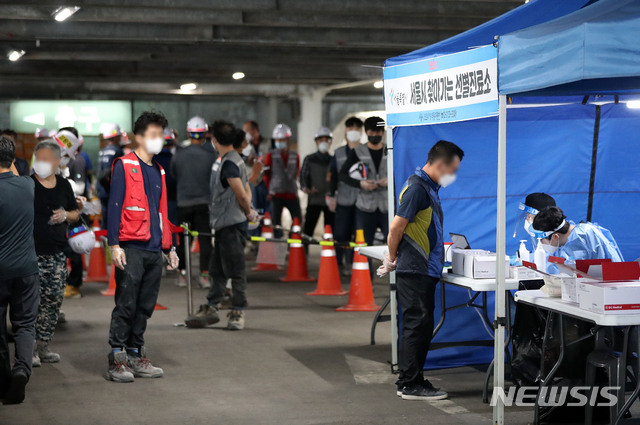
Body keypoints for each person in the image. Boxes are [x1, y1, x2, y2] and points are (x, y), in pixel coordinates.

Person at [383, 140, 464, 400]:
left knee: (420, 325)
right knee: (416, 326)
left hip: (423, 268)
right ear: (439, 164)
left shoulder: (427, 187)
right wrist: (392, 258)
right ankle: (409, 383)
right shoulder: (418, 189)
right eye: (452, 169)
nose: (453, 175)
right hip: (415, 269)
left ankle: (413, 378)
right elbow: (396, 228)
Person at [106, 111, 178, 383]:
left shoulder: (159, 169)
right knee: (126, 303)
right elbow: (114, 207)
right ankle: (117, 358)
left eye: (161, 134)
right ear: (139, 137)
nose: (158, 139)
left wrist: (170, 247)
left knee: (145, 305)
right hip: (131, 246)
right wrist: (114, 245)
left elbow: (161, 211)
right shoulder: (123, 165)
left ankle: (136, 354)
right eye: (153, 135)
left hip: (153, 248)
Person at [186, 121, 258, 331]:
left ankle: (238, 310)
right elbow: (245, 188)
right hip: (224, 223)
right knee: (217, 269)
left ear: (214, 140)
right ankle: (211, 305)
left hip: (232, 224)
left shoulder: (228, 163)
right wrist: (249, 208)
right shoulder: (231, 159)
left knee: (236, 270)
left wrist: (248, 211)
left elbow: (240, 192)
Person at [31, 138, 81, 367]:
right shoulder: (27, 185)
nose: (40, 164)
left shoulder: (64, 186)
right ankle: (28, 348)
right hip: (31, 254)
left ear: (56, 161)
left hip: (57, 254)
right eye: (37, 159)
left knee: (53, 301)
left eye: (44, 160)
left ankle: (43, 345)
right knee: (31, 303)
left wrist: (65, 215)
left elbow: (75, 214)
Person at [0, 136, 40, 404]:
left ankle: (3, 377)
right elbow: (13, 173)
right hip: (27, 268)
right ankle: (21, 372)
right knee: (25, 324)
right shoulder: (28, 185)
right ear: (15, 160)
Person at [170, 116, 218, 288]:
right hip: (204, 204)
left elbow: (174, 174)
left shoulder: (179, 153)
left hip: (183, 204)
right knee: (205, 241)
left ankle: (182, 275)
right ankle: (204, 276)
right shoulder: (211, 154)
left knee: (184, 241)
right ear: (205, 133)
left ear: (188, 133)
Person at [339, 116, 388, 250]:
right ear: (366, 132)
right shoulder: (357, 151)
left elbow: (401, 171)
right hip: (365, 206)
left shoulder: (390, 150)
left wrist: (390, 181)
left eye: (378, 132)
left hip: (387, 206)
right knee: (365, 245)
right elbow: (343, 175)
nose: (375, 135)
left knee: (393, 242)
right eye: (371, 132)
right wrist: (361, 184)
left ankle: (392, 271)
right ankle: (365, 271)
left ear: (383, 132)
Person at [531, 206, 624, 273]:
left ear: (555, 237)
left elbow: (575, 272)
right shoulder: (566, 240)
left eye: (542, 240)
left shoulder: (581, 237)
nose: (541, 244)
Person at [328, 116, 363, 274]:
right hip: (343, 199)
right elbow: (333, 176)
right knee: (341, 233)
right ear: (345, 131)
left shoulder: (365, 151)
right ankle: (337, 263)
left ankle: (354, 263)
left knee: (358, 234)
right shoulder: (339, 152)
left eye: (357, 128)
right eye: (350, 128)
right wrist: (331, 196)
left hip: (362, 200)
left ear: (361, 131)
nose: (353, 131)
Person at [263, 123, 301, 238]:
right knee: (275, 222)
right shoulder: (270, 155)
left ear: (288, 139)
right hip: (276, 194)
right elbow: (266, 174)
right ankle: (279, 242)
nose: (279, 142)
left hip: (292, 193)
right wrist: (270, 190)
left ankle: (293, 242)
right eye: (277, 140)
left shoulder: (295, 155)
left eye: (282, 139)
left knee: (297, 220)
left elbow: (296, 172)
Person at [299, 126, 334, 237]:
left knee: (330, 230)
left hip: (330, 201)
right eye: (321, 140)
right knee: (308, 229)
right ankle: (304, 252)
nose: (324, 142)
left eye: (326, 140)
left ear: (330, 142)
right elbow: (303, 177)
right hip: (314, 199)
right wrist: (307, 189)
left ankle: (330, 253)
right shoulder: (309, 159)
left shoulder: (333, 160)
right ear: (316, 141)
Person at [97, 123, 124, 228]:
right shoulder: (116, 151)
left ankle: (106, 242)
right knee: (113, 222)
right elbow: (111, 172)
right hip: (112, 192)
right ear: (116, 136)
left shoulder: (104, 150)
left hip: (103, 191)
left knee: (105, 219)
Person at [243, 120, 272, 220]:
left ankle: (269, 231)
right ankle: (255, 233)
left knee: (267, 211)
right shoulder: (244, 145)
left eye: (246, 131)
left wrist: (266, 160)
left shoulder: (268, 143)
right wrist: (248, 159)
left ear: (255, 130)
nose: (245, 133)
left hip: (266, 182)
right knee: (254, 211)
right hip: (252, 182)